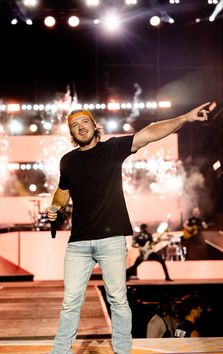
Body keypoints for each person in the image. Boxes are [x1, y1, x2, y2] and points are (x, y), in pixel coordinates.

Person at [47, 103, 209, 354]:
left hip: (111, 241)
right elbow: (63, 191)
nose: (80, 127)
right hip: (78, 243)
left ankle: (122, 351)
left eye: (84, 122)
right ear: (71, 132)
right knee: (70, 303)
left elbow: (150, 132)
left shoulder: (112, 148)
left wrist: (186, 117)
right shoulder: (67, 160)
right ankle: (60, 351)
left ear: (94, 125)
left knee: (118, 300)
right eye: (75, 126)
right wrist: (55, 206)